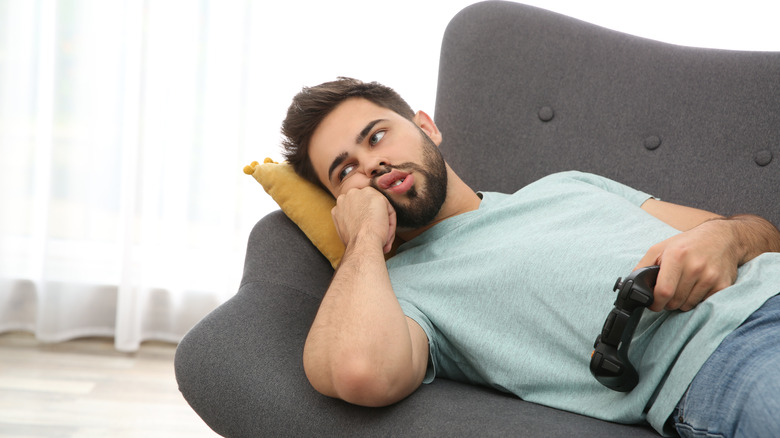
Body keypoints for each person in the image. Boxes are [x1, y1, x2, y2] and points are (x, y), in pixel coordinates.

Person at [280, 77, 780, 437]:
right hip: (725, 360)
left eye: (376, 136)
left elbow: (762, 235)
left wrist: (727, 238)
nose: (371, 162)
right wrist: (364, 236)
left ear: (426, 127)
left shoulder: (566, 185)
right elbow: (358, 369)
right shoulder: (403, 291)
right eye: (345, 171)